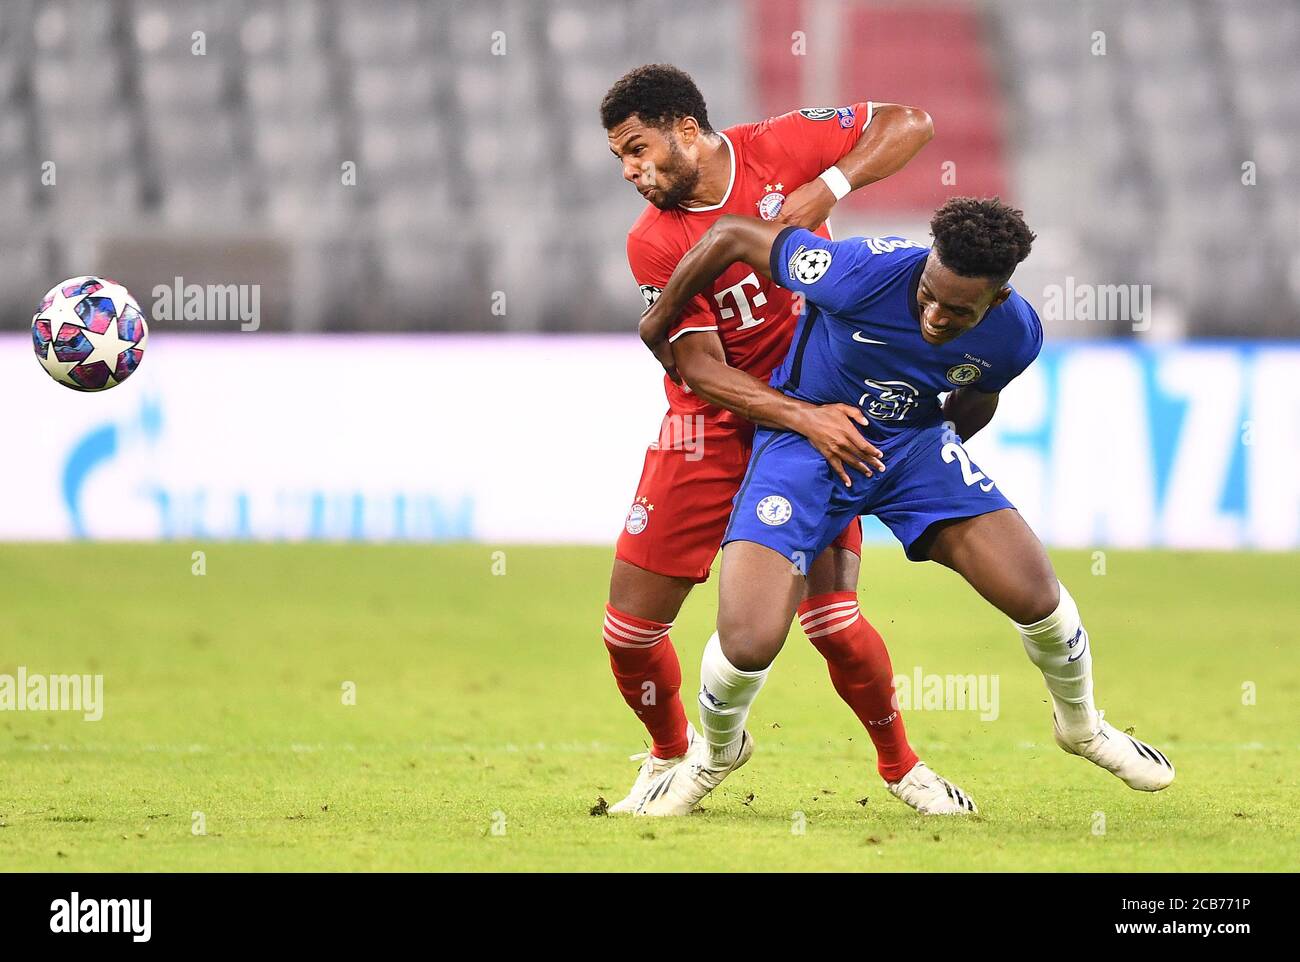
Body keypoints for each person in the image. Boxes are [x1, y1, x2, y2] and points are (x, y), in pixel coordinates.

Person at [633, 198, 1175, 816]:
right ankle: (717, 753)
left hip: (910, 449)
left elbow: (977, 397)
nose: (935, 316)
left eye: (957, 310)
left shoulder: (1016, 334)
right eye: (929, 296)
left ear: (995, 302)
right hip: (806, 442)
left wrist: (929, 458)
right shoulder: (855, 271)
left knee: (1037, 595)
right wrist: (662, 316)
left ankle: (1082, 728)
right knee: (750, 640)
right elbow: (731, 233)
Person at [599, 64, 976, 814]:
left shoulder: (776, 147)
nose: (632, 171)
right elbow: (699, 367)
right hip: (712, 430)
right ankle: (675, 752)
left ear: (685, 128)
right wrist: (806, 417)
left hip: (815, 417)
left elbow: (909, 120)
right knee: (629, 633)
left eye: (639, 149)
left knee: (834, 621)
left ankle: (902, 768)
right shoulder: (653, 242)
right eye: (620, 160)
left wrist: (827, 189)